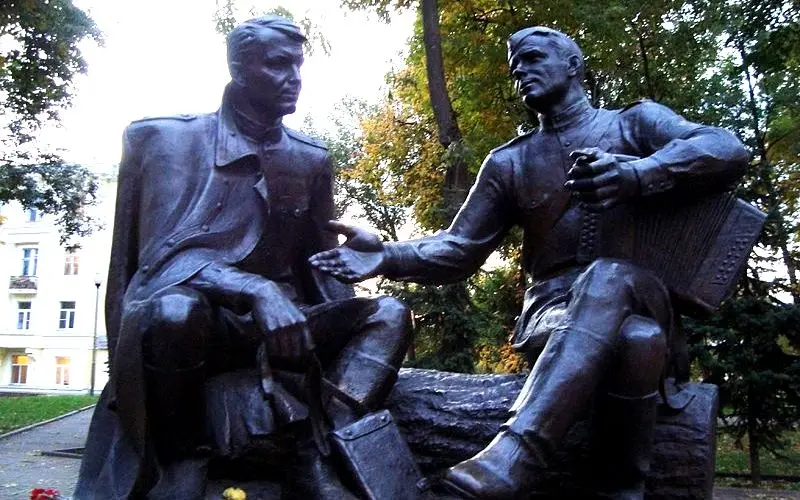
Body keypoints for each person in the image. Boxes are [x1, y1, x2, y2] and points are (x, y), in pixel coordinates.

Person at [310, 26, 749, 499]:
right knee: (637, 342)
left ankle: (514, 456)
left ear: (574, 65)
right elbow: (460, 247)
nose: (520, 68)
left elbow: (727, 149)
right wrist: (387, 255)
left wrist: (639, 174)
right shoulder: (508, 162)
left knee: (612, 280)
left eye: (533, 57)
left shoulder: (634, 124)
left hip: (644, 294)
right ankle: (624, 491)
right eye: (514, 62)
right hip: (553, 311)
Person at [75, 16, 412, 499]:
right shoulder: (166, 140)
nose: (294, 77)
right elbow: (158, 264)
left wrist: (360, 260)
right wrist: (254, 288)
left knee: (391, 313)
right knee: (174, 312)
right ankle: (180, 457)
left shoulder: (310, 157)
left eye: (298, 65)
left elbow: (319, 270)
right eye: (278, 65)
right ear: (238, 67)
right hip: (200, 323)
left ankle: (319, 444)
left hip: (282, 330)